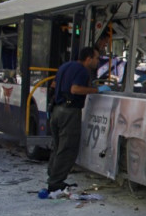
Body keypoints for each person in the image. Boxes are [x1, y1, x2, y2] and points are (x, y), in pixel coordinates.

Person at [47, 47, 110, 192]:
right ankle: (55, 182)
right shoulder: (82, 70)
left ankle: (52, 175)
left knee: (57, 146)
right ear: (88, 58)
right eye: (96, 58)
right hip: (69, 112)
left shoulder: (65, 66)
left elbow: (53, 85)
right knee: (67, 148)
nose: (97, 61)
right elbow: (75, 89)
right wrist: (97, 90)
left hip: (56, 109)